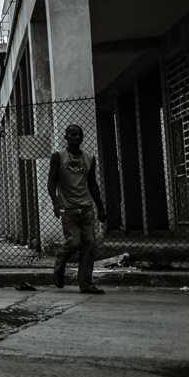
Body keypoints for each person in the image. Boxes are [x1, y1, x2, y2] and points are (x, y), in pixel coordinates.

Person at [47, 124, 107, 294]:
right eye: (72, 135)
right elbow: (51, 182)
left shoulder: (89, 158)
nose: (75, 138)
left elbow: (92, 184)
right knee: (74, 242)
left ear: (82, 137)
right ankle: (60, 260)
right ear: (66, 137)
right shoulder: (58, 157)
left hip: (87, 208)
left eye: (78, 135)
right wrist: (55, 202)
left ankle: (86, 284)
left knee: (89, 244)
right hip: (69, 209)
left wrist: (100, 207)